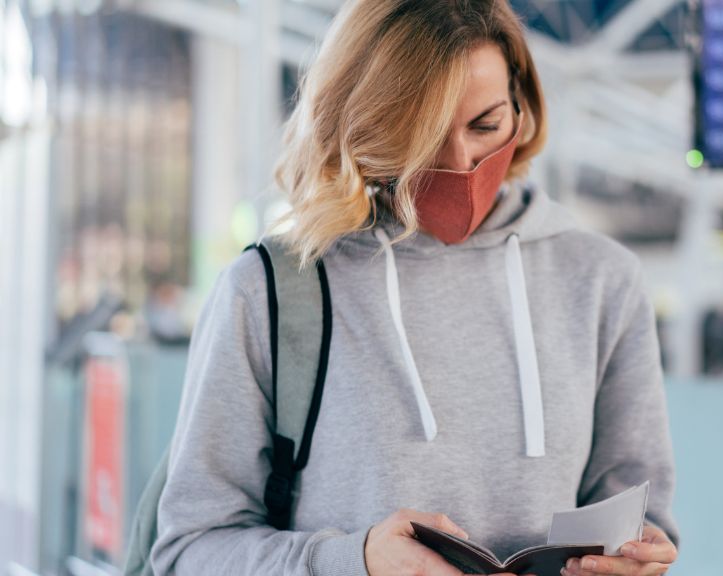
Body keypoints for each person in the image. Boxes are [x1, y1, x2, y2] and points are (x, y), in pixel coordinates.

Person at [151, 1, 680, 575]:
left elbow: (645, 522)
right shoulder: (273, 291)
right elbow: (190, 550)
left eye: (486, 124)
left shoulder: (603, 280)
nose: (463, 163)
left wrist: (640, 559)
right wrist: (351, 562)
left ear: (522, 107)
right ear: (365, 127)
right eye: (422, 136)